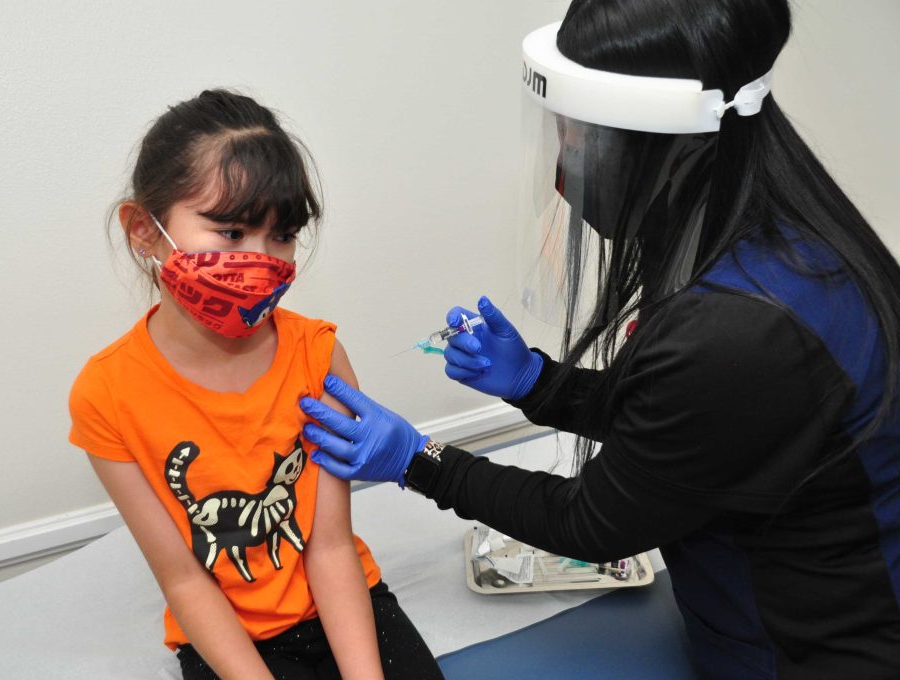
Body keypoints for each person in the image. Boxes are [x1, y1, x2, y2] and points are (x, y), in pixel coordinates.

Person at [299, 1, 900, 678]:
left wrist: (419, 458)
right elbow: (691, 429)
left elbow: (592, 523)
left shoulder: (741, 330)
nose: (563, 161)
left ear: (665, 137)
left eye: (577, 133)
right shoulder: (767, 234)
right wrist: (537, 382)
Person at [68, 89, 442, 680]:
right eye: (232, 232)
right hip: (229, 636)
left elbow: (331, 547)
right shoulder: (106, 396)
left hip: (344, 604)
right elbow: (184, 578)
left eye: (283, 235)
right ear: (145, 230)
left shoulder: (318, 356)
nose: (262, 261)